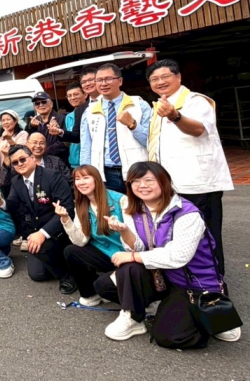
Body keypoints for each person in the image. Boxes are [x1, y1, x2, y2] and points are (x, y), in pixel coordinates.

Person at [93, 162, 241, 345]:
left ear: (164, 181)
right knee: (107, 284)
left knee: (169, 336)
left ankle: (217, 319)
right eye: (135, 181)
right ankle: (134, 317)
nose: (142, 185)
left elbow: (178, 256)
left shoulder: (186, 214)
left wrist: (132, 256)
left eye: (149, 180)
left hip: (191, 282)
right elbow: (138, 248)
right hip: (162, 275)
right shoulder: (134, 209)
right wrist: (124, 231)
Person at [145, 59, 233, 276]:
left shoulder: (196, 102)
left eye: (165, 76)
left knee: (207, 236)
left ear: (178, 77)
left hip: (198, 185)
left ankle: (214, 284)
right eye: (154, 79)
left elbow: (198, 130)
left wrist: (175, 116)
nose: (160, 82)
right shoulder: (160, 107)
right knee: (182, 237)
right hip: (172, 184)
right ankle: (190, 281)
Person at [5, 145, 76, 294]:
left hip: (58, 231)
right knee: (38, 275)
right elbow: (12, 206)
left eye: (22, 159)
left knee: (43, 249)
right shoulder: (16, 181)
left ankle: (66, 276)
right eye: (15, 162)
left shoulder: (52, 176)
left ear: (32, 158)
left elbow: (67, 208)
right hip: (35, 231)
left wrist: (43, 233)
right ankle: (59, 260)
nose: (19, 164)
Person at [56, 165, 126, 306]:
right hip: (105, 254)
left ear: (97, 179)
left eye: (86, 177)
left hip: (126, 255)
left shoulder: (121, 200)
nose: (81, 182)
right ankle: (90, 294)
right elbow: (81, 241)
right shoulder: (81, 205)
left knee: (105, 286)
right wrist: (66, 219)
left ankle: (139, 300)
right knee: (71, 251)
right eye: (77, 179)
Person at [80, 63, 151, 193]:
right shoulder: (89, 111)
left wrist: (133, 125)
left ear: (120, 81)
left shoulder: (139, 105)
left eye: (108, 79)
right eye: (99, 80)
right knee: (111, 206)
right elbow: (86, 146)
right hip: (105, 173)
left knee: (141, 205)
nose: (103, 83)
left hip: (137, 171)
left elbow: (150, 142)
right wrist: (85, 174)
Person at [2, 133, 72, 187]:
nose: (38, 146)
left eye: (42, 143)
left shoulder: (56, 161)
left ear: (46, 146)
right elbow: (5, 183)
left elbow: (69, 180)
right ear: (27, 144)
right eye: (34, 142)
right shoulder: (18, 162)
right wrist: (6, 161)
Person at [27, 92, 69, 165]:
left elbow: (65, 142)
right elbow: (29, 141)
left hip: (59, 162)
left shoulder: (62, 119)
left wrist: (44, 151)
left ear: (51, 104)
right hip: (39, 162)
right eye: (37, 103)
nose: (40, 105)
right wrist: (32, 128)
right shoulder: (34, 121)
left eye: (44, 102)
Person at [0, 109, 28, 191]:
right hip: (5, 173)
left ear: (15, 121)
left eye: (8, 119)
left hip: (19, 171)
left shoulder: (22, 134)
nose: (5, 122)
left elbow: (21, 150)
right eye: (3, 120)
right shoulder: (0, 139)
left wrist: (9, 139)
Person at [58, 83, 88, 168]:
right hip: (75, 163)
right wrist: (58, 131)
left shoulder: (92, 112)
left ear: (85, 95)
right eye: (69, 96)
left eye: (76, 94)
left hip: (91, 161)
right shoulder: (68, 117)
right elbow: (68, 143)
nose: (72, 98)